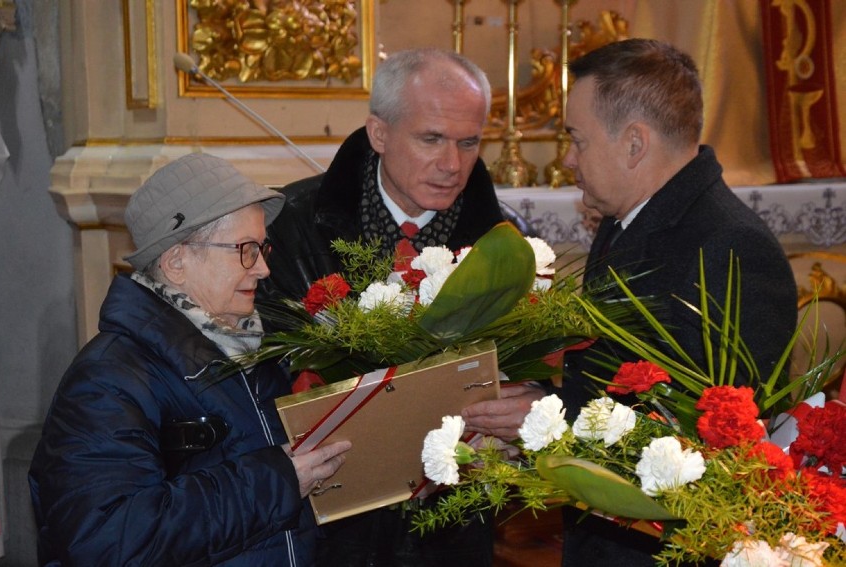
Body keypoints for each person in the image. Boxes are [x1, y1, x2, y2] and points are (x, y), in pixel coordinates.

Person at [258, 47, 543, 566]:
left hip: (451, 526)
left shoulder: (503, 246)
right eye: (431, 138)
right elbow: (259, 370)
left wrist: (529, 400)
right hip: (326, 521)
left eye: (469, 142)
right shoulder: (293, 225)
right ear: (379, 134)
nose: (452, 165)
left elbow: (533, 365)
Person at [28, 153, 351, 566]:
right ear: (177, 261)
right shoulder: (106, 382)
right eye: (246, 250)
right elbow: (106, 542)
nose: (265, 269)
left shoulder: (258, 353)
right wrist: (276, 481)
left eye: (263, 247)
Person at [557, 38, 798, 566]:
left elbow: (714, 440)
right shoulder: (631, 215)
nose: (569, 158)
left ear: (634, 144)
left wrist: (549, 421)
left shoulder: (729, 245)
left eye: (577, 139)